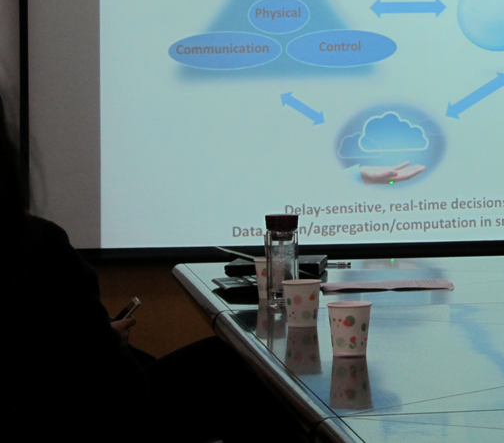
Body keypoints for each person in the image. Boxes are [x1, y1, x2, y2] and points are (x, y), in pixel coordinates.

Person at [5, 96, 303, 441]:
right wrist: (104, 340)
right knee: (238, 367)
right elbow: (105, 379)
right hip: (80, 414)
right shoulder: (34, 243)